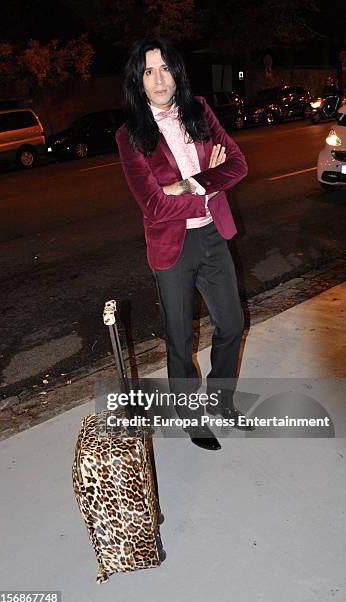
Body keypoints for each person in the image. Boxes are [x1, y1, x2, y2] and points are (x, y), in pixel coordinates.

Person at [116, 37, 254, 451]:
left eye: (164, 69)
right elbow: (155, 207)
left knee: (231, 324)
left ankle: (220, 399)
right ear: (138, 81)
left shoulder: (200, 112)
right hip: (172, 249)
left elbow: (238, 164)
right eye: (148, 71)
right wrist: (206, 187)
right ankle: (190, 415)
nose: (159, 79)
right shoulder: (131, 136)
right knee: (180, 337)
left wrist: (190, 185)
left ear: (177, 72)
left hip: (213, 234)